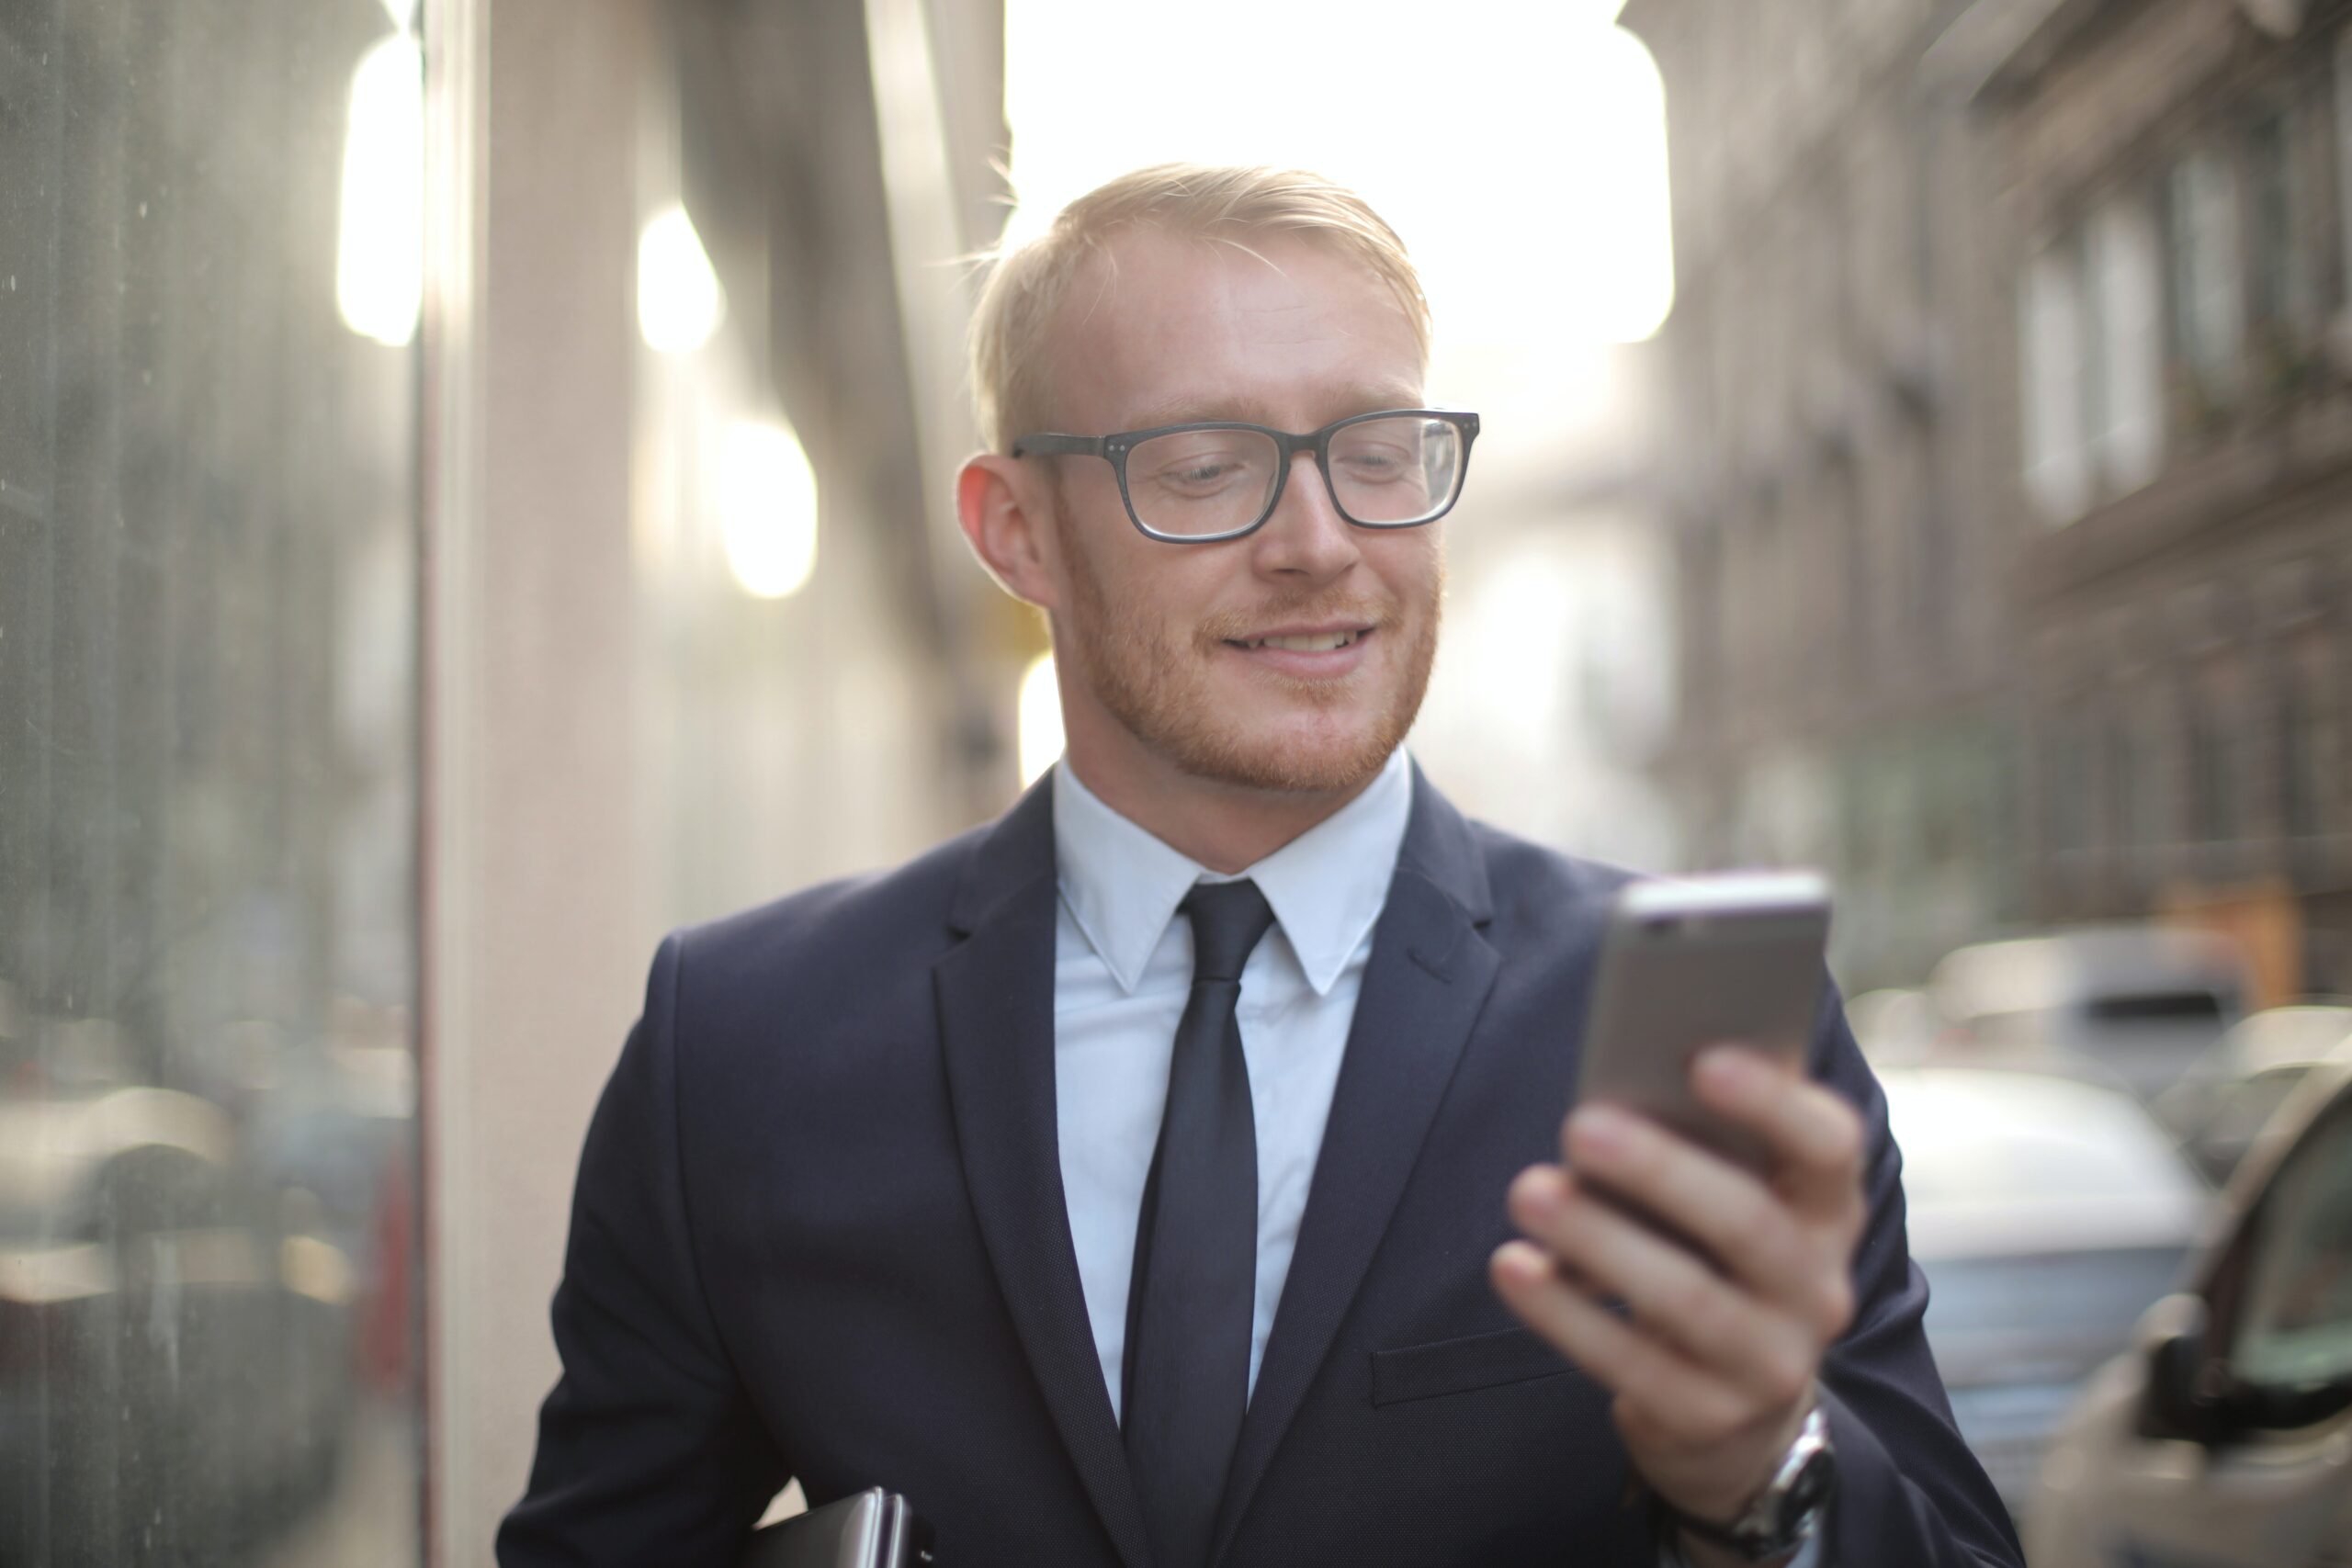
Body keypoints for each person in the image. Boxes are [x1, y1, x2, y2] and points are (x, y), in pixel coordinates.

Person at [499, 164, 2021, 1568]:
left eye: (1377, 451)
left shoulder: (1681, 1032)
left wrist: (1763, 1467)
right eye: (1209, 464)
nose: (1321, 541)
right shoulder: (745, 1046)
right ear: (1016, 530)